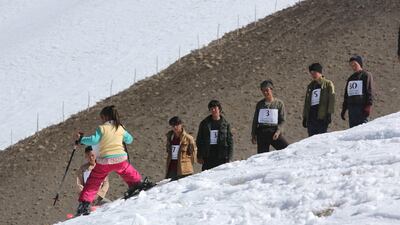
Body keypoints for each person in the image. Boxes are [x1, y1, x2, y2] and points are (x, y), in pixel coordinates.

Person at [75, 105, 142, 216]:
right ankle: (137, 184)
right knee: (127, 170)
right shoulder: (120, 127)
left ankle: (85, 203)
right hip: (120, 158)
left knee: (94, 180)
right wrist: (122, 132)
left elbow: (93, 140)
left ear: (105, 117)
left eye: (101, 117)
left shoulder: (102, 128)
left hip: (105, 161)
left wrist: (81, 140)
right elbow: (129, 140)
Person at [251, 80, 289, 153]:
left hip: (273, 132)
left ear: (271, 90)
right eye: (263, 91)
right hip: (261, 133)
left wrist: (278, 132)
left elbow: (282, 120)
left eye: (267, 90)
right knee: (262, 157)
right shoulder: (260, 104)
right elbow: (255, 120)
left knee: (287, 150)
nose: (265, 92)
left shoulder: (279, 104)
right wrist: (253, 134)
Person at [196, 100, 233, 171]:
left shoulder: (225, 124)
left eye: (215, 108)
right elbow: (199, 140)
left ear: (219, 109)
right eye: (211, 109)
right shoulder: (204, 123)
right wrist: (199, 156)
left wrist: (230, 157)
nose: (213, 110)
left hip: (221, 154)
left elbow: (230, 141)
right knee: (206, 176)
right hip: (208, 154)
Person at [340, 55, 374, 128]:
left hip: (361, 108)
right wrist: (344, 109)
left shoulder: (366, 75)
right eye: (351, 65)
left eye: (355, 64)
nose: (353, 66)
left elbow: (369, 90)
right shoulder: (350, 78)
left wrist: (368, 105)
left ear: (360, 64)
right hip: (351, 109)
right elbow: (347, 94)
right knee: (353, 130)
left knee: (362, 130)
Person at [302, 63, 335, 136]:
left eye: (314, 73)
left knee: (321, 138)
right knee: (311, 138)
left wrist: (329, 114)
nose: (313, 75)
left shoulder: (328, 84)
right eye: (311, 73)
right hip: (312, 117)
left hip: (322, 116)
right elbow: (307, 102)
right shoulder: (310, 86)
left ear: (319, 72)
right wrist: (305, 117)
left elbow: (331, 100)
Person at [165, 116, 197, 180]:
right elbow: (168, 151)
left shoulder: (188, 138)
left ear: (181, 125)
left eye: (177, 125)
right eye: (173, 125)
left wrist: (187, 165)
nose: (175, 127)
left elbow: (193, 155)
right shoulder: (170, 137)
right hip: (172, 169)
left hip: (184, 170)